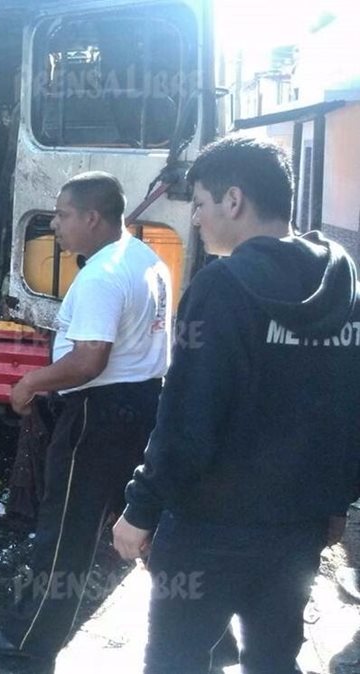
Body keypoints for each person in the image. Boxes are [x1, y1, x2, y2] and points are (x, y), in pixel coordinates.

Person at [113, 135, 360, 672]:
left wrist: (141, 507)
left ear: (233, 200)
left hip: (210, 528)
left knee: (176, 661)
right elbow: (349, 407)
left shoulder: (221, 286)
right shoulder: (343, 280)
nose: (196, 220)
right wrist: (337, 502)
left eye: (199, 203)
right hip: (297, 530)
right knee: (273, 661)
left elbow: (188, 416)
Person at [0, 171, 172, 661]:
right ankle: (207, 625)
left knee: (66, 529)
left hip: (98, 415)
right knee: (147, 518)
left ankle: (30, 638)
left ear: (92, 216)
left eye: (62, 215)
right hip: (144, 404)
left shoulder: (103, 275)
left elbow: (89, 359)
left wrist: (29, 384)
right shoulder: (147, 260)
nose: (55, 225)